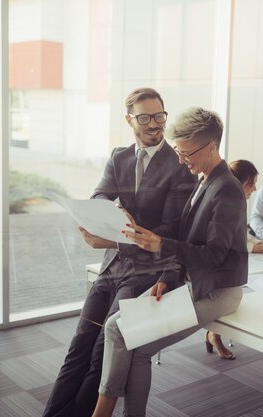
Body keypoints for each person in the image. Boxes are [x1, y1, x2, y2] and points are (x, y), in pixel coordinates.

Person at [44, 88, 196, 417]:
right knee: (80, 343)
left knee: (102, 352)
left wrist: (116, 238)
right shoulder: (119, 157)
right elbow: (100, 194)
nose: (155, 124)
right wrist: (102, 215)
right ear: (130, 120)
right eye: (145, 117)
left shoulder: (179, 165)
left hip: (147, 269)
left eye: (160, 115)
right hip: (113, 265)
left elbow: (171, 230)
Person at [91, 107, 248, 417]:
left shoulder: (227, 190)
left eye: (185, 152)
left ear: (211, 147)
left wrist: (161, 245)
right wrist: (165, 277)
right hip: (192, 282)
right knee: (115, 328)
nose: (181, 159)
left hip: (218, 290)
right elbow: (188, 241)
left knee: (133, 341)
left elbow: (214, 255)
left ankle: (102, 413)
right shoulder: (204, 180)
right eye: (177, 151)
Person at [205, 159, 263, 360]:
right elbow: (228, 241)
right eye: (251, 183)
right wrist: (259, 247)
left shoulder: (238, 200)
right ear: (239, 183)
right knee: (233, 293)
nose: (255, 188)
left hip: (233, 266)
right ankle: (214, 333)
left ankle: (214, 334)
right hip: (217, 268)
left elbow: (241, 234)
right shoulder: (227, 199)